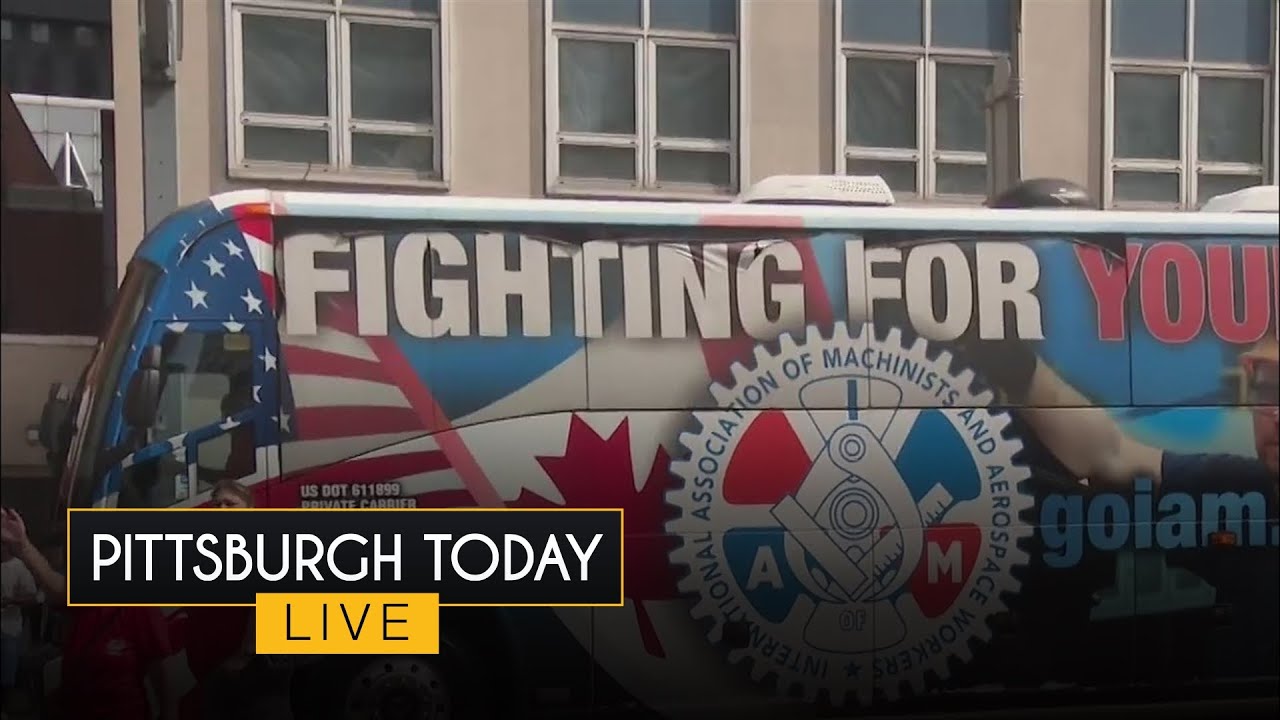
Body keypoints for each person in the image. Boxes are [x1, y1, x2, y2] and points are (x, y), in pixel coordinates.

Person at [0, 507, 180, 720]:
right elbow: (55, 584)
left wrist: (169, 713)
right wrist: (22, 545)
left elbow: (161, 673)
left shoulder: (140, 608)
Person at [1, 543, 41, 718]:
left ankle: (5, 709)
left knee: (7, 677)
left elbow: (33, 597)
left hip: (9, 629)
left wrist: (11, 600)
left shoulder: (18, 566)